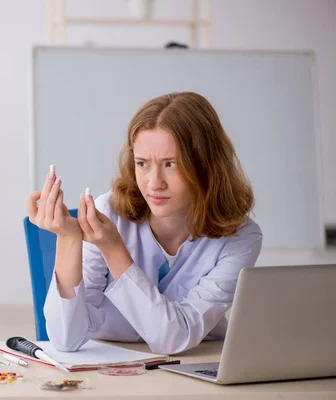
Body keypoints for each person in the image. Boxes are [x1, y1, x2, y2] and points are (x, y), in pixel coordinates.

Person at [26, 92, 262, 355]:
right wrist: (69, 240)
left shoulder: (241, 237)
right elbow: (65, 339)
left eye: (171, 164)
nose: (154, 182)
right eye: (142, 164)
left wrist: (114, 249)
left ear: (207, 166)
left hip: (195, 362)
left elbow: (173, 339)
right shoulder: (109, 213)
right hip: (111, 365)